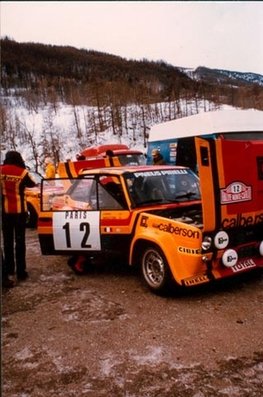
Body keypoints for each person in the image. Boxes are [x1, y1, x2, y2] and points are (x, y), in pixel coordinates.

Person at [1, 151, 36, 283]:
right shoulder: (22, 172)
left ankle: (10, 269)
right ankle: (21, 271)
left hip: (5, 212)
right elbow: (33, 183)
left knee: (7, 241)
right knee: (20, 242)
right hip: (20, 211)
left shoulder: (1, 170)